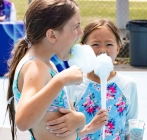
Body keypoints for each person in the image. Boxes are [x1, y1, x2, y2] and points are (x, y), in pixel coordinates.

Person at [5, 0, 86, 140]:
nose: (81, 31)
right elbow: (23, 121)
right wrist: (61, 80)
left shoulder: (47, 65)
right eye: (75, 26)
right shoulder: (36, 68)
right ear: (52, 35)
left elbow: (67, 112)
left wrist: (80, 119)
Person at [47, 19, 138, 140]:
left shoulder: (128, 85)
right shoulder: (72, 84)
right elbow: (61, 133)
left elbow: (130, 127)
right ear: (83, 49)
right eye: (95, 44)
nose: (102, 50)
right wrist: (89, 127)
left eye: (109, 44)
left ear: (118, 48)